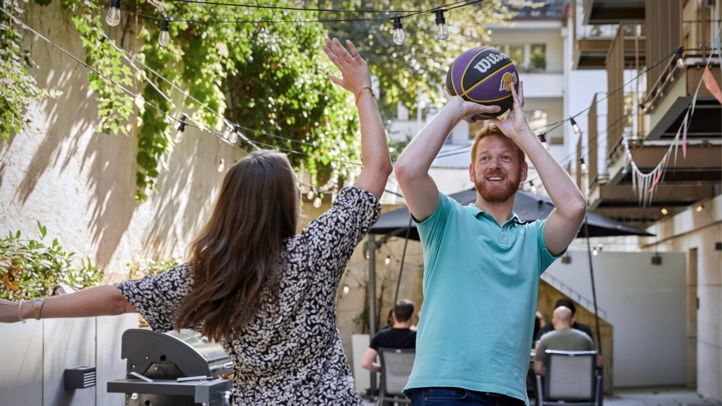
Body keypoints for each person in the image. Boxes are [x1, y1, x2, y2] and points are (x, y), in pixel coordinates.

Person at [0, 38, 392, 405]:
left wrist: (21, 310)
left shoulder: (211, 275)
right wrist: (363, 91)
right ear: (284, 204)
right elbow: (377, 169)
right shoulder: (316, 251)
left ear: (231, 206)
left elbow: (118, 297)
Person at [394, 82, 587, 405]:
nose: (494, 165)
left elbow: (574, 207)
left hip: (508, 395)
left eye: (505, 158)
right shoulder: (445, 220)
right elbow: (407, 171)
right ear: (471, 172)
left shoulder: (532, 241)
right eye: (485, 158)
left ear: (523, 171)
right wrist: (456, 109)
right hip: (443, 389)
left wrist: (523, 134)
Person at [533, 306, 600, 376]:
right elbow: (598, 363)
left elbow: (537, 369)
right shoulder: (585, 338)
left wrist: (554, 376)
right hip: (582, 384)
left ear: (553, 322)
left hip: (555, 385)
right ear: (572, 321)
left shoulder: (545, 339)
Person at [361, 299, 417, 373]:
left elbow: (365, 364)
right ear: (411, 316)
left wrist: (383, 369)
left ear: (393, 315)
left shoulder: (381, 336)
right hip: (411, 383)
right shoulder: (417, 337)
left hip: (388, 384)